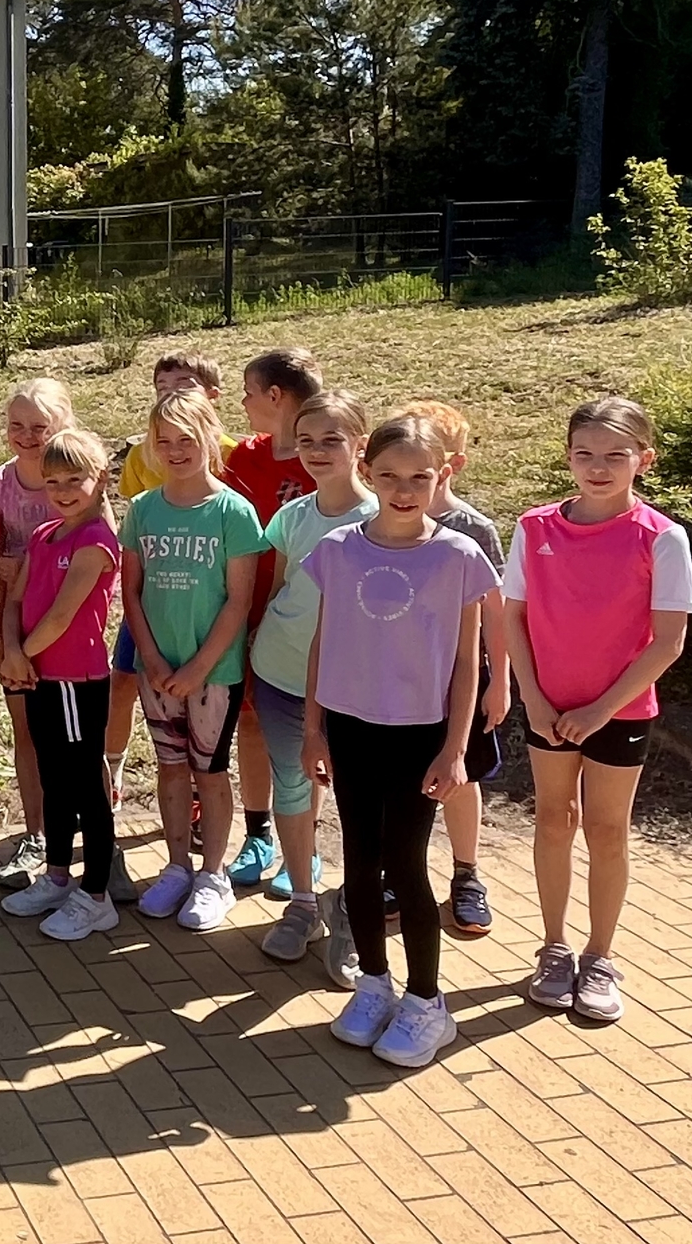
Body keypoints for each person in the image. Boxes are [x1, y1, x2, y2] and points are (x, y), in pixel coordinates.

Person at [304, 414, 496, 1068]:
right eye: (388, 475)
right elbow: (323, 640)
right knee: (359, 863)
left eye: (420, 476)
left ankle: (426, 1002)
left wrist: (455, 748)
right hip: (351, 728)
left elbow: (467, 663)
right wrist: (313, 729)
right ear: (366, 471)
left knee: (406, 865)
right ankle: (374, 983)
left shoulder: (459, 555)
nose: (404, 489)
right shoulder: (338, 548)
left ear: (442, 474)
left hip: (420, 734)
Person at [506, 397, 692, 1024]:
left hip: (621, 713)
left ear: (645, 460)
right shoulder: (534, 527)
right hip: (547, 709)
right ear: (568, 457)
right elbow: (512, 617)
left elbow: (668, 642)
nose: (598, 467)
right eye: (584, 454)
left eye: (616, 455)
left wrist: (599, 711)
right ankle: (554, 948)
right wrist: (533, 697)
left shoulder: (662, 537)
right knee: (553, 820)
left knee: (607, 830)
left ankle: (600, 956)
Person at [120, 389, 266, 933]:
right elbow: (131, 591)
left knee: (210, 769)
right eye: (164, 441)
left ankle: (213, 875)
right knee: (171, 766)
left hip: (214, 674)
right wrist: (152, 658)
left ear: (210, 437)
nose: (176, 451)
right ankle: (177, 865)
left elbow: (239, 600)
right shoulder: (143, 509)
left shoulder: (233, 511)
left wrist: (199, 667)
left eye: (187, 439)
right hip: (157, 670)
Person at [245, 390, 377, 972]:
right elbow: (279, 589)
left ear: (360, 445)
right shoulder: (292, 516)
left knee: (361, 801)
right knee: (293, 788)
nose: (317, 451)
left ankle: (352, 909)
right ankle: (303, 902)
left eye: (331, 440)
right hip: (281, 675)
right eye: (306, 441)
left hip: (355, 690)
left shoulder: (383, 519)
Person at [0, 429, 124, 941]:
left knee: (85, 786)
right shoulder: (44, 533)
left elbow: (61, 616)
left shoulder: (96, 542)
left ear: (101, 480)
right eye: (53, 482)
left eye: (75, 480)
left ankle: (97, 896)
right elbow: (14, 600)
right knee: (53, 778)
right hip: (37, 675)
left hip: (76, 682)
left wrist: (20, 656)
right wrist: (10, 651)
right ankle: (56, 875)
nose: (64, 491)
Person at [395, 399, 509, 936]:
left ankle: (467, 874)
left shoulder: (473, 529)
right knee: (398, 779)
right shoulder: (379, 522)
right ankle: (395, 871)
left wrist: (499, 681)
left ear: (451, 465)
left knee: (462, 777)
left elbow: (497, 611)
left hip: (462, 677)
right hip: (397, 677)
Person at [108, 351, 237, 803]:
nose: (170, 396)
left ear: (211, 396)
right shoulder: (143, 457)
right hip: (152, 602)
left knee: (208, 714)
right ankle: (112, 770)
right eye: (161, 388)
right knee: (123, 681)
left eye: (183, 386)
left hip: (207, 606)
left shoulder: (233, 456)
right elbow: (130, 523)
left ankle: (206, 801)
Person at [222, 348, 323, 885]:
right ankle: (257, 835)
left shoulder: (320, 458)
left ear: (276, 396)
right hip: (243, 606)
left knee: (309, 729)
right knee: (251, 720)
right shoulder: (244, 457)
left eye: (249, 391)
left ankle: (305, 848)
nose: (243, 402)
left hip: (302, 619)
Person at [0, 381, 72, 890]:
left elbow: (101, 553)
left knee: (78, 739)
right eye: (17, 425)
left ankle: (94, 835)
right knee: (28, 733)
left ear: (62, 425)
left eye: (39, 426)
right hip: (15, 631)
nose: (27, 435)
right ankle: (36, 835)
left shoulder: (78, 481)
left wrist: (32, 567)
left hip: (69, 631)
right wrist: (2, 642)